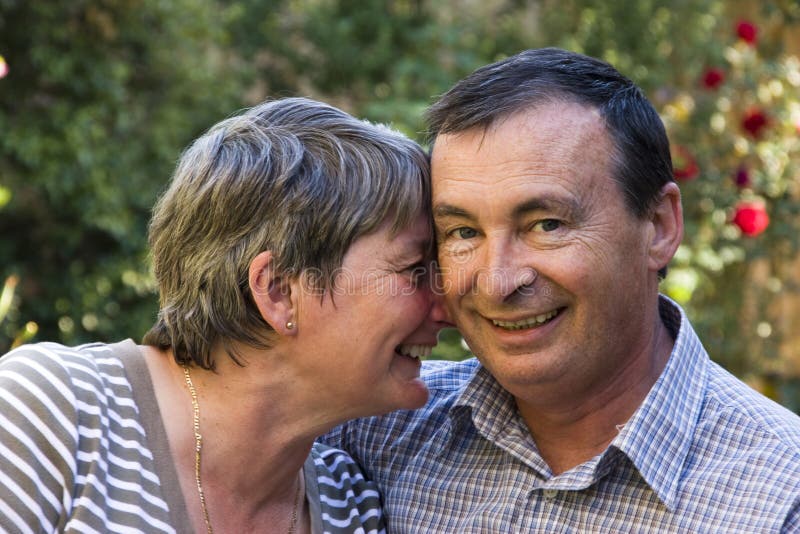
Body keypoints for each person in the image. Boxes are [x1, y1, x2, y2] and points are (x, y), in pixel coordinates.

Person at [322, 48, 800, 532]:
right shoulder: (373, 433)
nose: (497, 281)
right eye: (463, 232)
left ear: (657, 227)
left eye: (546, 224)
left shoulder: (781, 497)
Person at [0, 97, 451, 533]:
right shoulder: (52, 412)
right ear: (278, 290)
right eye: (414, 271)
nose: (446, 308)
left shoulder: (351, 508)